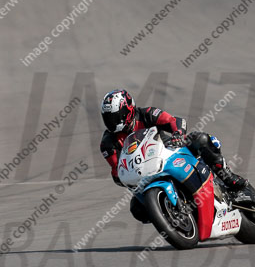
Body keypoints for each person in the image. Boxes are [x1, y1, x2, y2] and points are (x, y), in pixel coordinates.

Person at [100, 89, 247, 223]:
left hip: (170, 151)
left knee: (200, 139)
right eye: (107, 118)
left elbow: (174, 120)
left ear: (128, 111)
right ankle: (168, 214)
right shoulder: (108, 143)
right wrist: (120, 176)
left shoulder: (147, 114)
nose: (111, 122)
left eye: (115, 117)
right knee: (138, 209)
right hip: (144, 173)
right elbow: (117, 168)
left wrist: (178, 134)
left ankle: (227, 175)